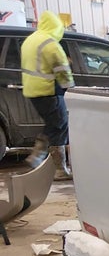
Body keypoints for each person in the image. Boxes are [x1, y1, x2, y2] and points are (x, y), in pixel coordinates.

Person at [22, 10, 74, 180]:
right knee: (60, 126)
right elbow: (63, 70)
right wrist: (71, 89)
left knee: (53, 124)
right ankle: (59, 169)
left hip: (32, 91)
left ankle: (37, 154)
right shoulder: (50, 44)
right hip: (49, 90)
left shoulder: (30, 41)